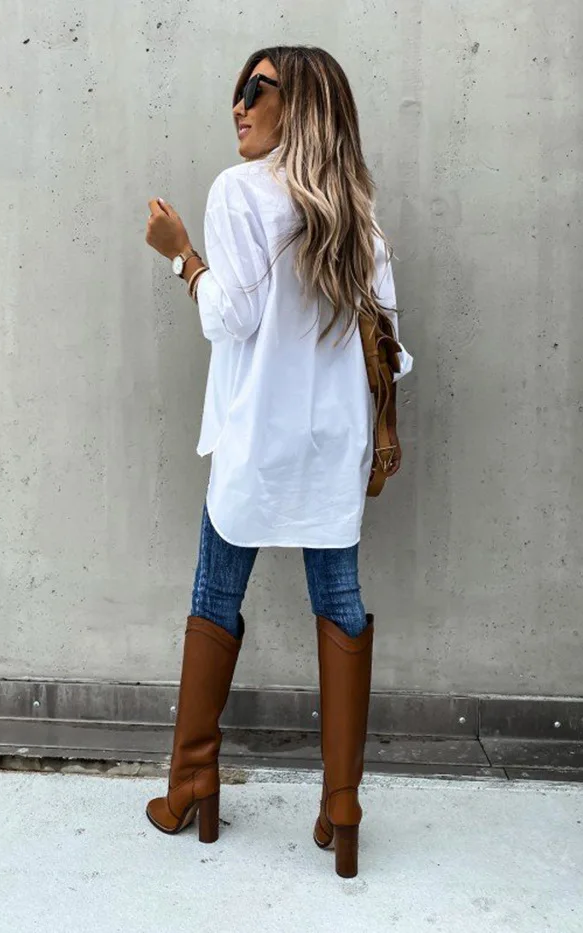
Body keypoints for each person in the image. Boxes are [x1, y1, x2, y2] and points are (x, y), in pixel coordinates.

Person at [143, 45, 413, 878]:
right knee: (340, 602)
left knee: (214, 596)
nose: (238, 103)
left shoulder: (237, 192)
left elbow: (230, 317)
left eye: (256, 89)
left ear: (299, 103)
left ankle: (192, 782)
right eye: (238, 88)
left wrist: (181, 254)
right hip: (333, 443)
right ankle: (342, 803)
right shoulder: (354, 207)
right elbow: (391, 346)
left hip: (257, 439)